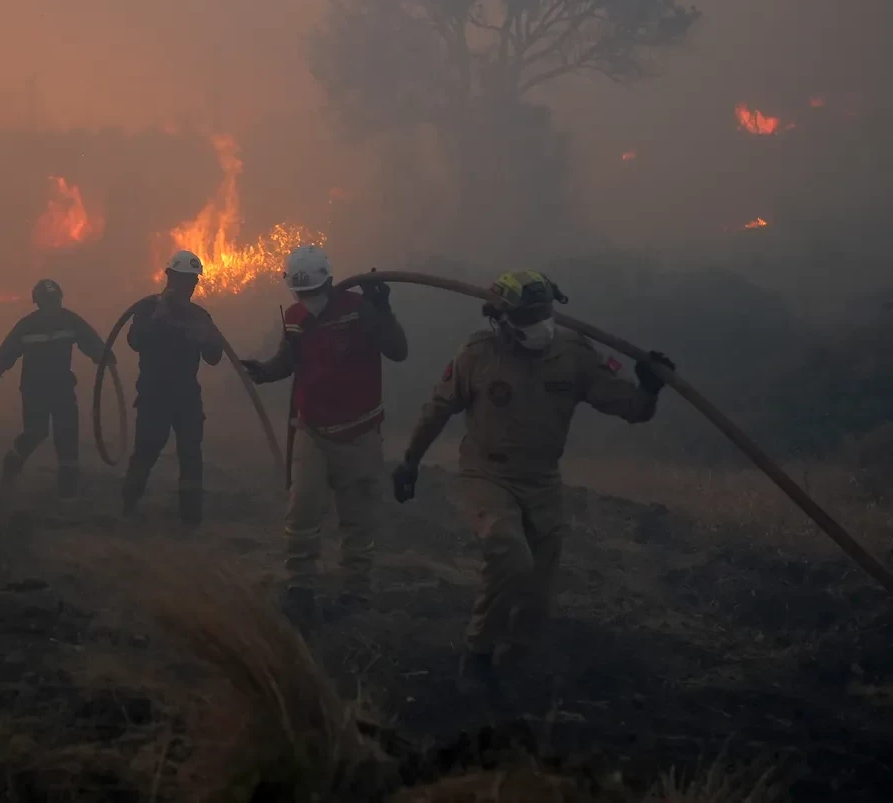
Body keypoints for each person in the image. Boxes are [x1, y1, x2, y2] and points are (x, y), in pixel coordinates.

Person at [392, 270, 673, 681]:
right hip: (487, 474)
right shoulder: (477, 355)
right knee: (509, 554)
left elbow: (628, 407)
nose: (538, 324)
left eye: (543, 313)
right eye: (527, 316)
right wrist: (410, 460)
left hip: (542, 482)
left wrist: (649, 389)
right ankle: (478, 654)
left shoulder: (574, 354)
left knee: (538, 593)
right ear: (501, 319)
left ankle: (515, 667)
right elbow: (437, 410)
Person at [241, 246, 408, 630]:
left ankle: (356, 594)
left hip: (359, 432)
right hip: (311, 431)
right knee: (301, 511)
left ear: (330, 282)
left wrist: (382, 312)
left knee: (357, 520)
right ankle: (299, 589)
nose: (308, 300)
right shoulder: (297, 318)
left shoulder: (360, 309)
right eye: (301, 294)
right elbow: (289, 360)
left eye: (314, 291)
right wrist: (264, 371)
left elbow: (398, 351)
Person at [0, 279, 111, 499]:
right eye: (48, 301)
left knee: (67, 437)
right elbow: (6, 354)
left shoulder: (70, 320)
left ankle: (67, 494)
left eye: (55, 300)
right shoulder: (26, 326)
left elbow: (90, 340)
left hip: (62, 388)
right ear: (38, 303)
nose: (52, 306)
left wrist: (104, 357)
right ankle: (12, 463)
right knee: (36, 432)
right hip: (35, 390)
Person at [121, 249, 223, 528]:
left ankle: (190, 520)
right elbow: (135, 341)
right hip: (154, 395)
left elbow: (215, 357)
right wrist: (158, 317)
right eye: (183, 279)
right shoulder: (147, 308)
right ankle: (127, 507)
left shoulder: (199, 316)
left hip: (187, 398)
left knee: (191, 454)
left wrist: (206, 340)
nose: (188, 286)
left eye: (192, 281)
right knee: (147, 449)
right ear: (169, 277)